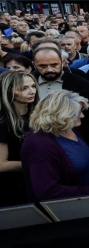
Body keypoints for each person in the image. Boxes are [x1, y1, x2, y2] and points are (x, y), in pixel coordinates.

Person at [21, 90, 89, 202]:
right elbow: (47, 191)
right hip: (69, 210)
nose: (82, 116)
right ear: (62, 115)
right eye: (78, 112)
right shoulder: (40, 145)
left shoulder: (69, 128)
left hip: (86, 201)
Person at [0, 71, 38, 207]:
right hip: (13, 187)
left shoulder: (37, 116)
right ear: (9, 91)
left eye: (33, 86)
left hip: (36, 181)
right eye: (24, 88)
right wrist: (39, 164)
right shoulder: (3, 123)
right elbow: (2, 165)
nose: (32, 91)